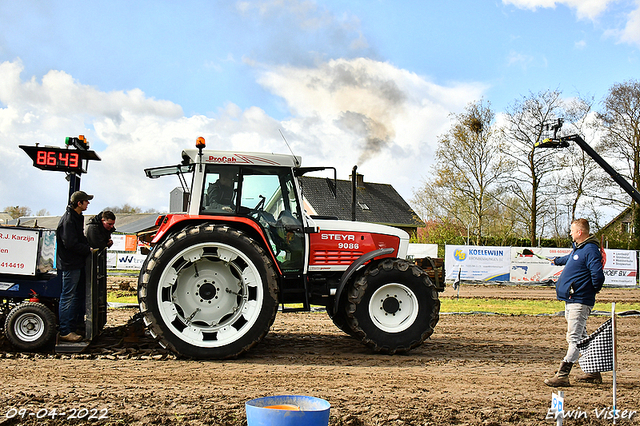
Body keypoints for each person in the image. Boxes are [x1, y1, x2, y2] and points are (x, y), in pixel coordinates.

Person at [544, 218, 605, 387]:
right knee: (583, 337)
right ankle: (593, 372)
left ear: (580, 232)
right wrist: (556, 260)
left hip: (580, 300)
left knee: (575, 338)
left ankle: (563, 374)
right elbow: (571, 258)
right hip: (572, 299)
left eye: (572, 230)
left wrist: (588, 290)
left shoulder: (590, 250)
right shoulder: (580, 249)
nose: (570, 233)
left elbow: (598, 276)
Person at [56, 190, 93, 342]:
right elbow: (70, 243)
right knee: (67, 297)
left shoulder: (76, 217)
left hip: (75, 262)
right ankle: (65, 331)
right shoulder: (69, 220)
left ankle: (73, 325)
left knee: (75, 296)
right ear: (79, 203)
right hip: (70, 264)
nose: (88, 203)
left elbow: (78, 239)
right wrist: (87, 249)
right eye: (86, 201)